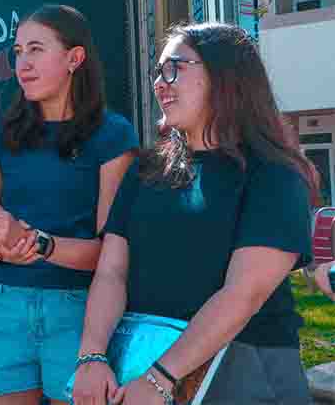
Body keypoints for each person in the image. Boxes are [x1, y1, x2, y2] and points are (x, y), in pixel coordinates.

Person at [73, 23, 315, 405]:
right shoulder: (144, 171)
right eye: (157, 72)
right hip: (142, 372)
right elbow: (111, 272)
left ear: (225, 77)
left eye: (174, 68)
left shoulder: (273, 175)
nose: (159, 84)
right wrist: (92, 356)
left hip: (243, 373)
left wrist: (160, 378)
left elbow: (242, 295)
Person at [0, 5, 138, 405]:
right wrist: (6, 245)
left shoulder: (113, 135)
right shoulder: (2, 133)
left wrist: (35, 242)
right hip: (5, 306)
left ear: (74, 58)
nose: (22, 64)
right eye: (18, 52)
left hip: (80, 314)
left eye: (36, 50)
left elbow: (109, 254)